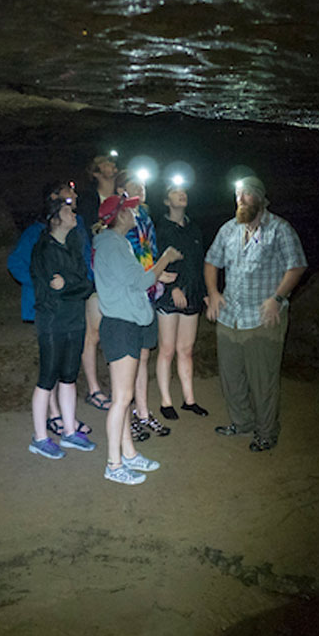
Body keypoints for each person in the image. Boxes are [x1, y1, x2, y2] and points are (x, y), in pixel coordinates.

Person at [204, 176, 307, 452]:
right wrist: (214, 293)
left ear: (260, 198)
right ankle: (242, 422)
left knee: (263, 380)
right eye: (238, 194)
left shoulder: (280, 229)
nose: (241, 199)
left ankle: (266, 431)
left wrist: (277, 298)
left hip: (262, 318)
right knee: (231, 376)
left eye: (247, 194)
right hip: (230, 317)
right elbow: (211, 261)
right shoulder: (229, 229)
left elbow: (296, 266)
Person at [93, 193, 182, 485]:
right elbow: (141, 281)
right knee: (120, 399)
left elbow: (132, 280)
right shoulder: (112, 244)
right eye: (129, 211)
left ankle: (129, 454)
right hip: (121, 326)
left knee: (125, 397)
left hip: (125, 323)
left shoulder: (114, 245)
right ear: (119, 216)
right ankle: (113, 464)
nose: (134, 215)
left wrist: (156, 274)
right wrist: (164, 259)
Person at [8, 180, 92, 437]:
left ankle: (63, 420)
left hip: (71, 305)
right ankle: (54, 416)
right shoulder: (38, 233)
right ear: (53, 200)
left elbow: (85, 270)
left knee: (65, 367)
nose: (74, 198)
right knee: (51, 366)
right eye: (67, 198)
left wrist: (77, 285)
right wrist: (42, 287)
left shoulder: (77, 231)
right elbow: (17, 263)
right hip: (48, 307)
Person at [28, 186, 96, 459]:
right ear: (54, 218)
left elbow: (86, 285)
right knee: (47, 379)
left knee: (69, 377)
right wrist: (71, 285)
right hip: (53, 323)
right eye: (68, 211)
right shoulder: (43, 249)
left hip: (74, 320)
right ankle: (39, 438)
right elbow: (51, 290)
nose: (74, 215)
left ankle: (69, 432)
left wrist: (68, 284)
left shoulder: (74, 245)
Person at [113, 172, 172, 440]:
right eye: (135, 184)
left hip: (148, 293)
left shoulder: (146, 217)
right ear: (122, 189)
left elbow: (152, 251)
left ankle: (143, 412)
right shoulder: (118, 219)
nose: (142, 188)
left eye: (144, 184)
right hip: (129, 297)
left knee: (145, 355)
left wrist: (158, 274)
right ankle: (127, 417)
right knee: (130, 359)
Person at [154, 180, 208, 420]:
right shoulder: (161, 228)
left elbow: (199, 263)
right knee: (166, 349)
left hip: (193, 294)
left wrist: (206, 291)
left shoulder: (194, 229)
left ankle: (189, 400)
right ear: (167, 201)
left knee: (185, 349)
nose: (181, 195)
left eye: (184, 191)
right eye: (175, 192)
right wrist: (173, 288)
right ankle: (166, 401)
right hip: (168, 296)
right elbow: (156, 261)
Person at [78, 154, 121, 413]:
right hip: (95, 274)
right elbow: (83, 236)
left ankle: (119, 386)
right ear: (95, 172)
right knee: (92, 334)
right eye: (106, 163)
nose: (112, 166)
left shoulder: (123, 199)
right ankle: (94, 389)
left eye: (113, 163)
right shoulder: (87, 201)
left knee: (115, 330)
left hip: (119, 275)